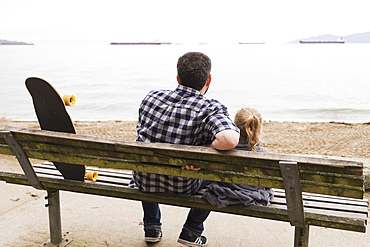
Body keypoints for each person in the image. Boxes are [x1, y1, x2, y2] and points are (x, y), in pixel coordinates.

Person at [130, 52, 240, 246]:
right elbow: (230, 140)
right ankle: (191, 230)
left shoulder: (151, 97)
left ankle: (152, 226)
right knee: (219, 171)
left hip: (144, 179)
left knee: (150, 158)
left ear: (178, 78)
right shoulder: (210, 108)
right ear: (209, 80)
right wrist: (205, 148)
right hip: (183, 185)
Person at [202, 107, 274, 208]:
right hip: (253, 195)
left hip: (223, 193)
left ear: (234, 125)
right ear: (259, 130)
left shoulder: (222, 150)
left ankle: (193, 223)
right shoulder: (264, 154)